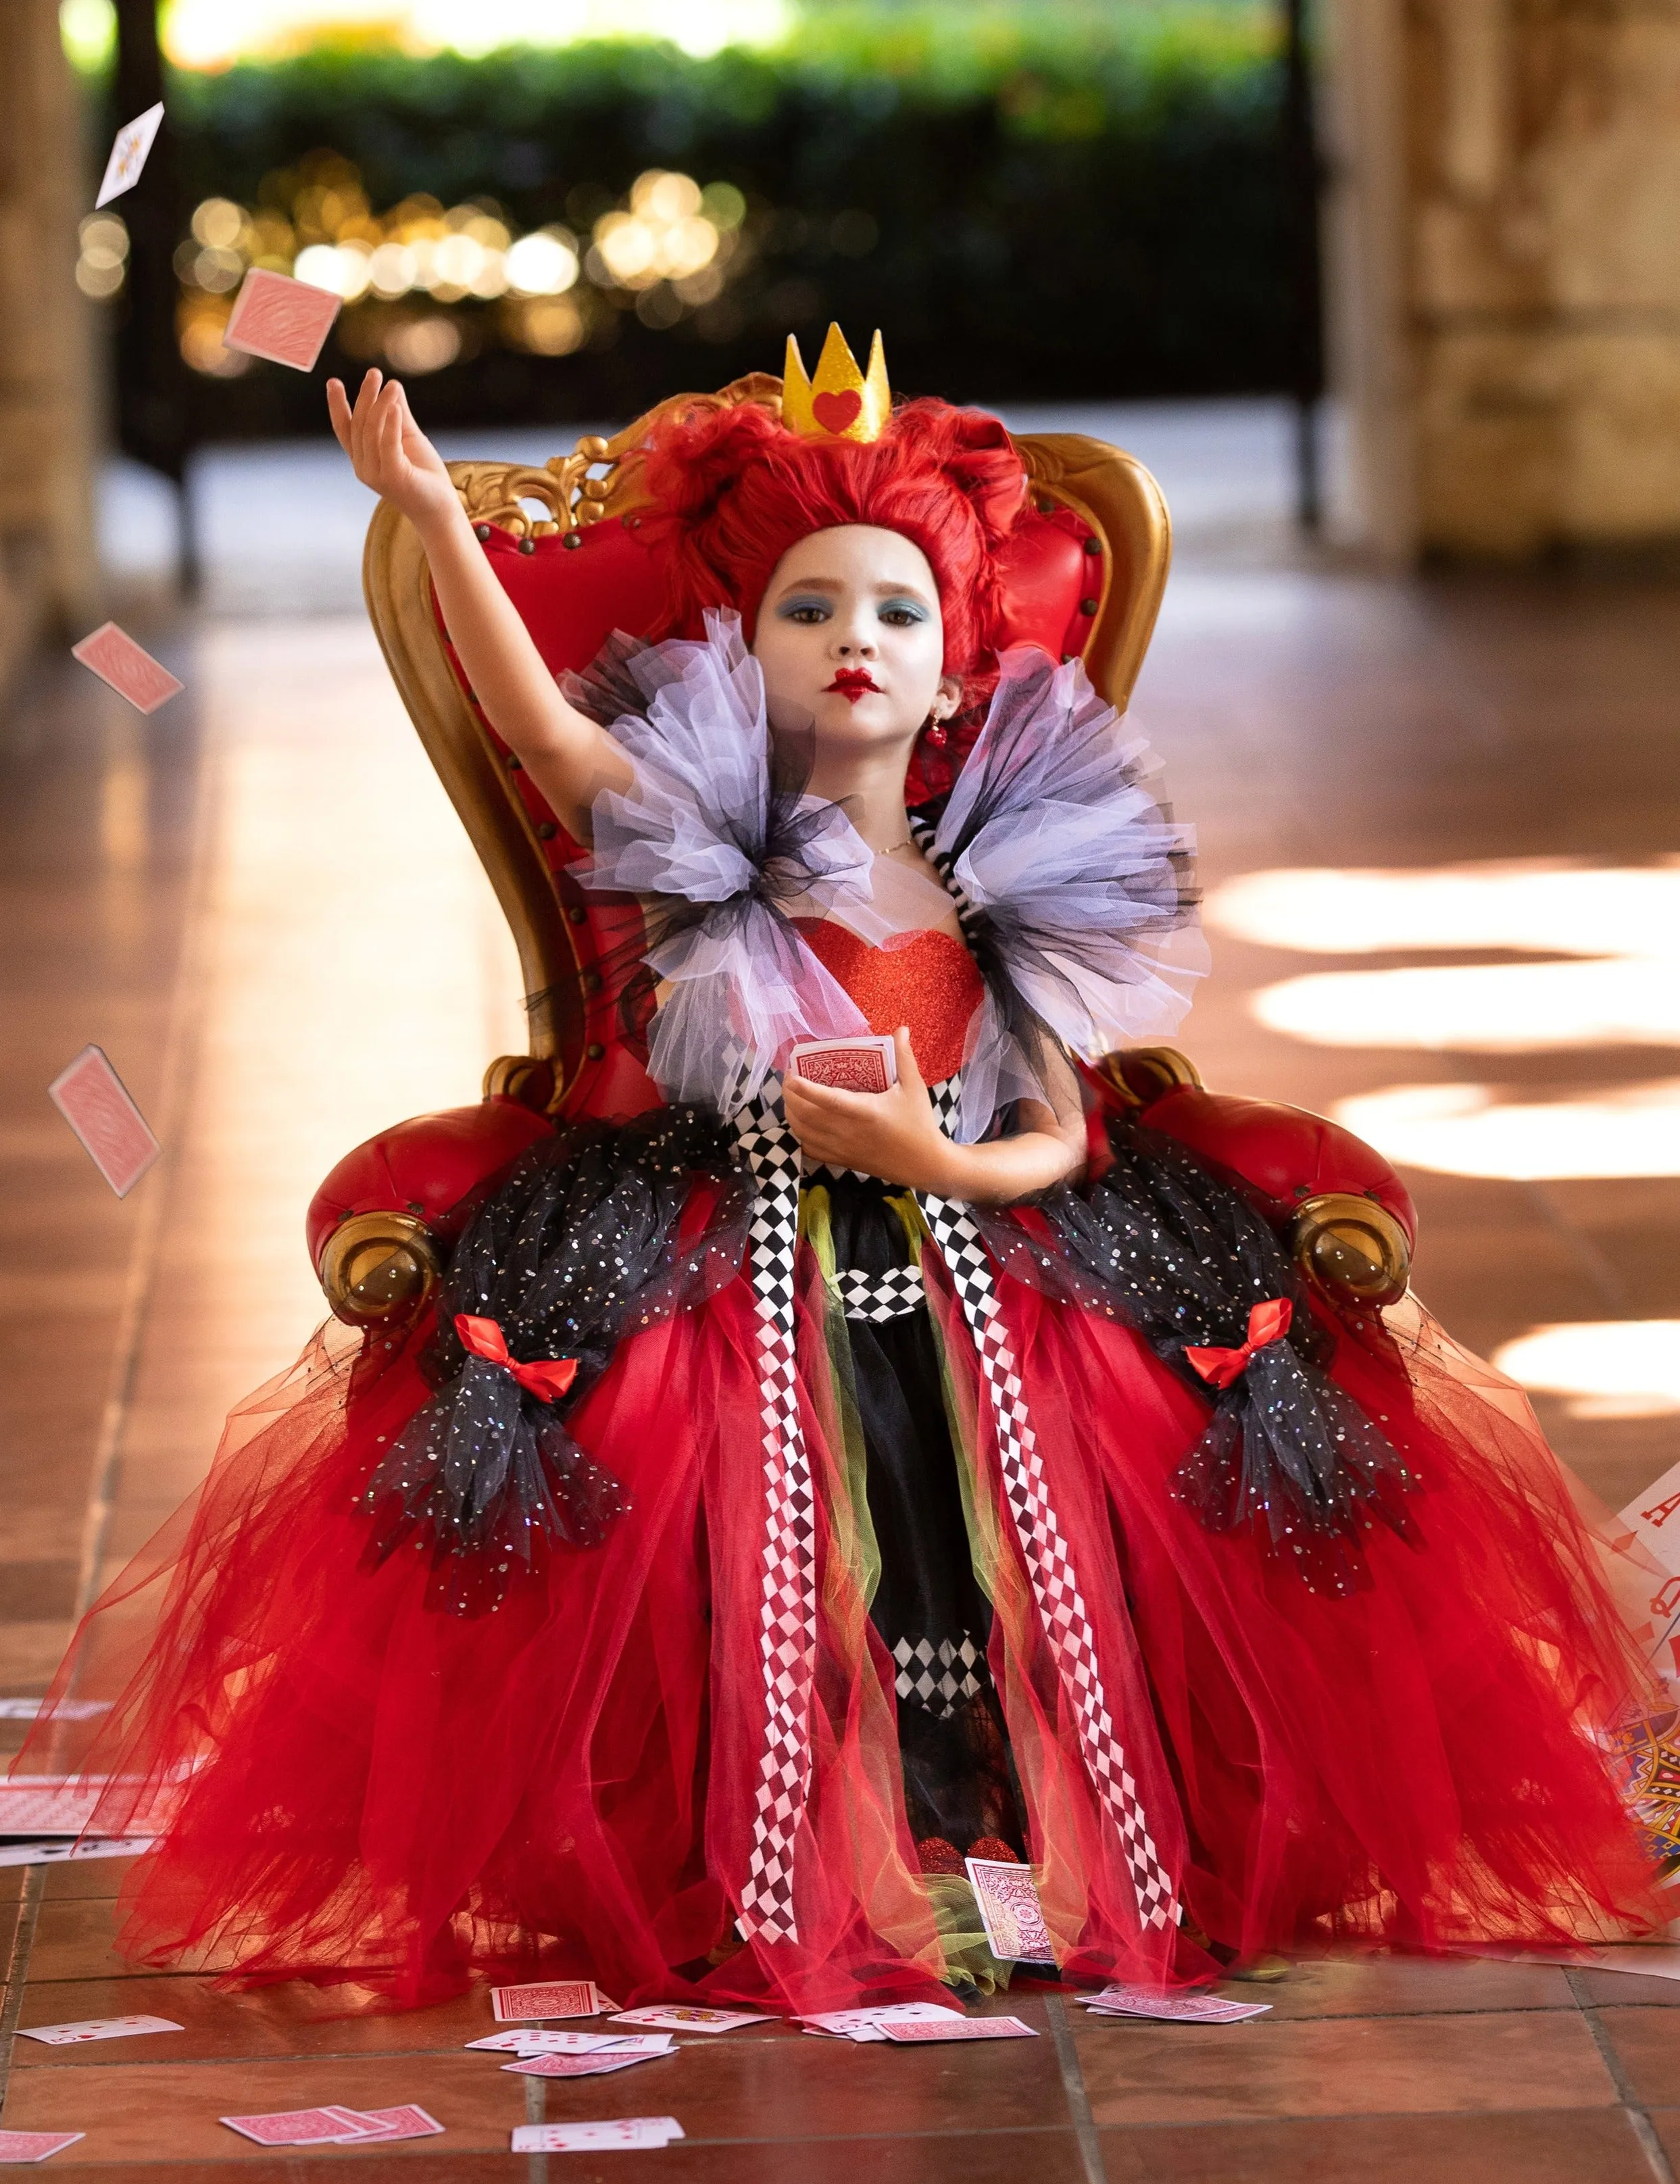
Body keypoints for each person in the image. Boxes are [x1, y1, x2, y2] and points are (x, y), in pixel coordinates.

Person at [18, 333, 1663, 2014]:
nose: (852, 643)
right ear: (745, 646)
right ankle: (793, 1835)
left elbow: (1060, 1125)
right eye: (808, 612)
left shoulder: (1006, 867)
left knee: (1114, 1464)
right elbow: (537, 728)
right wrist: (437, 513)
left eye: (894, 613)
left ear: (955, 669)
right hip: (726, 1229)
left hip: (986, 1235)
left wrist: (942, 1155)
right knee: (684, 1473)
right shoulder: (699, 822)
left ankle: (1011, 1825)